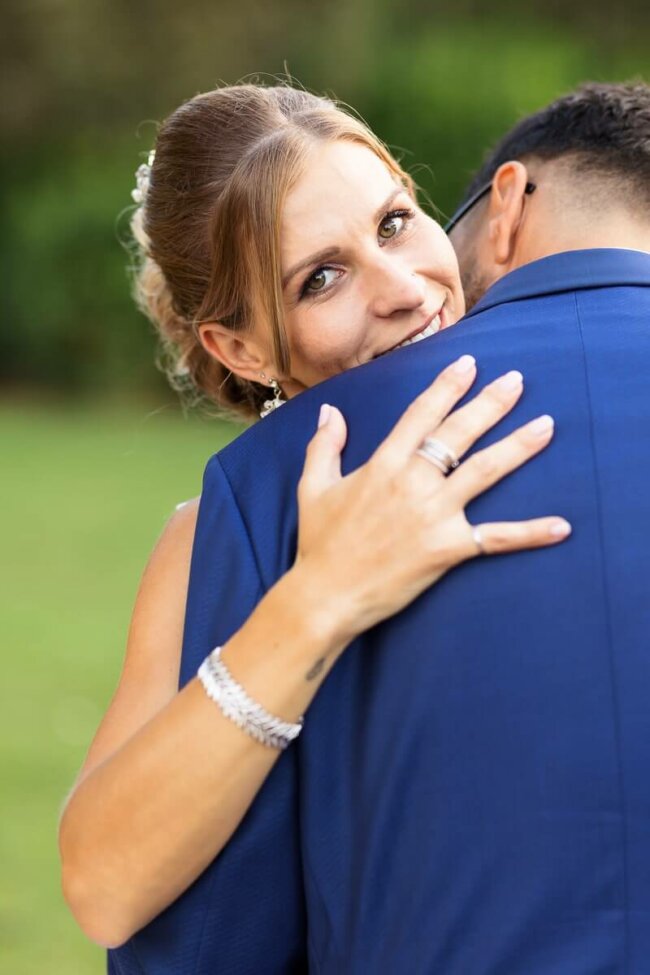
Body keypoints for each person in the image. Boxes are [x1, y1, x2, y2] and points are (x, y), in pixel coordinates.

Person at [108, 80, 650, 973]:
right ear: (240, 349)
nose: (404, 291)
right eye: (321, 278)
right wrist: (320, 595)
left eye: (395, 222)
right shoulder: (235, 519)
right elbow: (110, 884)